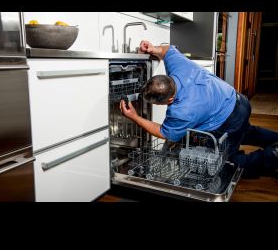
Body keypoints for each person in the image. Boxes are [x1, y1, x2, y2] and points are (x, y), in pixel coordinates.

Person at [119, 40, 278, 178]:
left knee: (221, 163)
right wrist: (153, 49)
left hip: (228, 118)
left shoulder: (182, 111)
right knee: (245, 130)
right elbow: (167, 50)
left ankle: (272, 155)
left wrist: (134, 116)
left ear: (170, 99)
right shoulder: (178, 66)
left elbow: (163, 132)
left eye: (158, 104)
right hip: (239, 101)